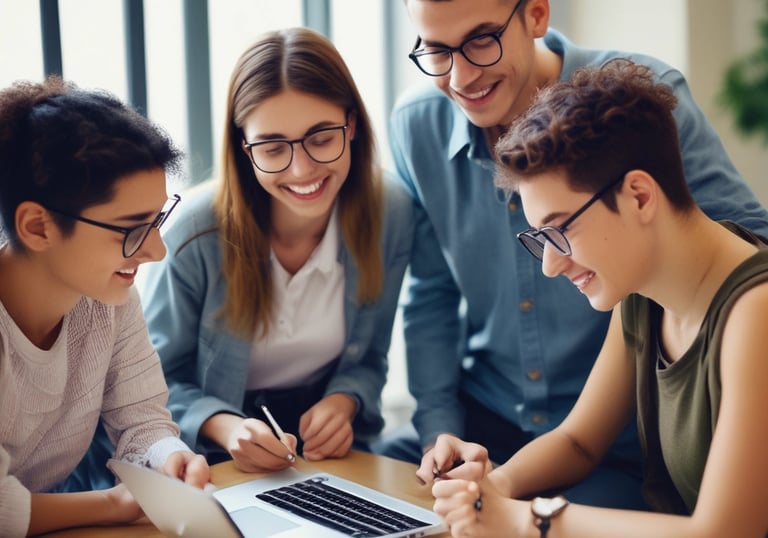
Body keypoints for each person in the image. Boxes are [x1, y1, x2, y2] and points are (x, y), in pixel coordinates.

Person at [378, 0, 768, 509]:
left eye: (480, 40)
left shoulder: (642, 108)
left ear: (536, 14)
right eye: (436, 50)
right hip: (496, 420)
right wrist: (457, 456)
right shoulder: (637, 293)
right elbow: (432, 294)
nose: (461, 75)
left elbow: (734, 246)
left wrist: (524, 520)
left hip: (623, 449)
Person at [131, 27, 412, 473]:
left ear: (352, 124)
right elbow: (147, 385)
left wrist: (345, 400)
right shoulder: (194, 234)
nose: (302, 169)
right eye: (273, 147)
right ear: (244, 148)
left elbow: (371, 357)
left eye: (321, 138)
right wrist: (224, 425)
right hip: (215, 462)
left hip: (332, 457)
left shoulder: (391, 213)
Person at [0, 76, 209, 537]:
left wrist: (167, 456)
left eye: (156, 221)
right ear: (37, 226)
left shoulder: (107, 301)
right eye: (131, 228)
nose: (156, 252)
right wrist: (114, 504)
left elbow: (143, 419)